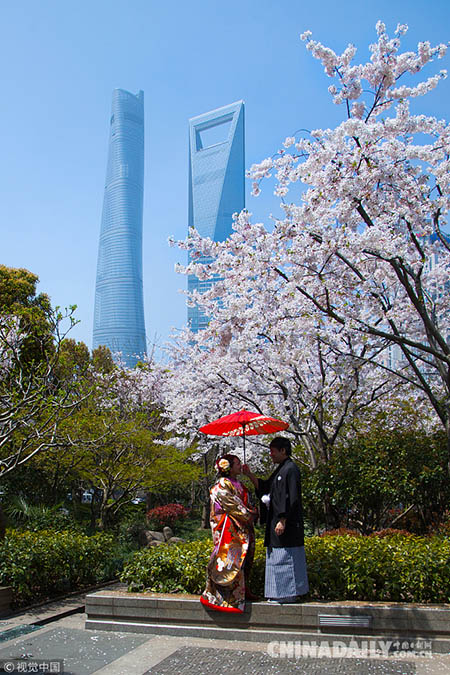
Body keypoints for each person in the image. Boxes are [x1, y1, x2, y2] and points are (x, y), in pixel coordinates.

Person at [243, 436, 309, 603]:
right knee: (276, 557)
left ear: (283, 451)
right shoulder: (281, 469)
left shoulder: (291, 469)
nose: (270, 455)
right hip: (275, 522)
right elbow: (265, 487)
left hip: (287, 524)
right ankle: (278, 593)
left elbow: (291, 497)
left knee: (286, 558)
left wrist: (283, 519)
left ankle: (289, 593)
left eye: (272, 451)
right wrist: (249, 474)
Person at [200, 454, 258, 613]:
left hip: (241, 526)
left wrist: (251, 511)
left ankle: (242, 592)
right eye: (237, 464)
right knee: (228, 560)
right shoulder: (221, 485)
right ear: (229, 467)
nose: (240, 466)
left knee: (244, 559)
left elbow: (245, 501)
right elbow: (233, 506)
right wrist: (248, 513)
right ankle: (220, 597)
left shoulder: (239, 483)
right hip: (228, 527)